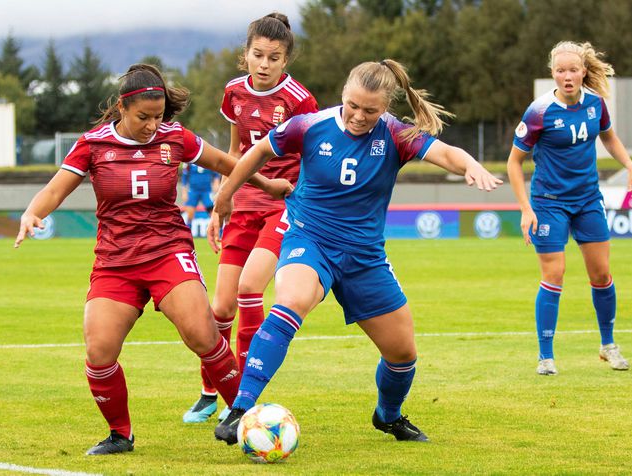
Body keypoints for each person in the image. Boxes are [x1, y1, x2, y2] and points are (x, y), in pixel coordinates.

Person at [210, 59, 502, 444]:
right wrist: (225, 196)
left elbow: (447, 153)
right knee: (292, 299)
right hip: (309, 239)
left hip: (364, 258)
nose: (358, 117)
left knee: (402, 355)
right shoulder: (310, 124)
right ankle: (242, 408)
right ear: (342, 95)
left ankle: (388, 415)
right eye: (352, 105)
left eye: (371, 110)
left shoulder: (397, 135)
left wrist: (470, 165)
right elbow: (258, 152)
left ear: (385, 108)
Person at [14, 64, 293, 455]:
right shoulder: (93, 143)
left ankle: (245, 416)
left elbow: (227, 163)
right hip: (115, 261)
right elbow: (56, 189)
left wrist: (265, 184)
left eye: (158, 116)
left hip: (168, 252)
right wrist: (32, 212)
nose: (151, 125)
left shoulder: (175, 138)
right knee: (99, 352)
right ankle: (120, 435)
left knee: (203, 334)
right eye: (143, 117)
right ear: (123, 109)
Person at [182, 12, 318, 424]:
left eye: (273, 57)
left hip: (284, 205)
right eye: (257, 54)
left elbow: (312, 154)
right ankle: (211, 392)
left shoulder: (299, 99)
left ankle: (244, 398)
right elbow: (236, 151)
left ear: (285, 60)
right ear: (245, 55)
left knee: (247, 289)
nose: (264, 63)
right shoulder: (233, 93)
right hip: (244, 204)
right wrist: (223, 203)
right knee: (219, 309)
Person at [506, 41, 632, 376]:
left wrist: (631, 167)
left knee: (601, 275)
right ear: (552, 73)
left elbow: (608, 137)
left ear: (583, 71)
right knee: (554, 275)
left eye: (572, 70)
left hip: (587, 201)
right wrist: (526, 209)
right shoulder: (538, 111)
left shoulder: (596, 104)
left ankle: (608, 345)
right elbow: (514, 162)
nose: (566, 76)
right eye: (560, 71)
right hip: (549, 203)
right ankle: (546, 357)